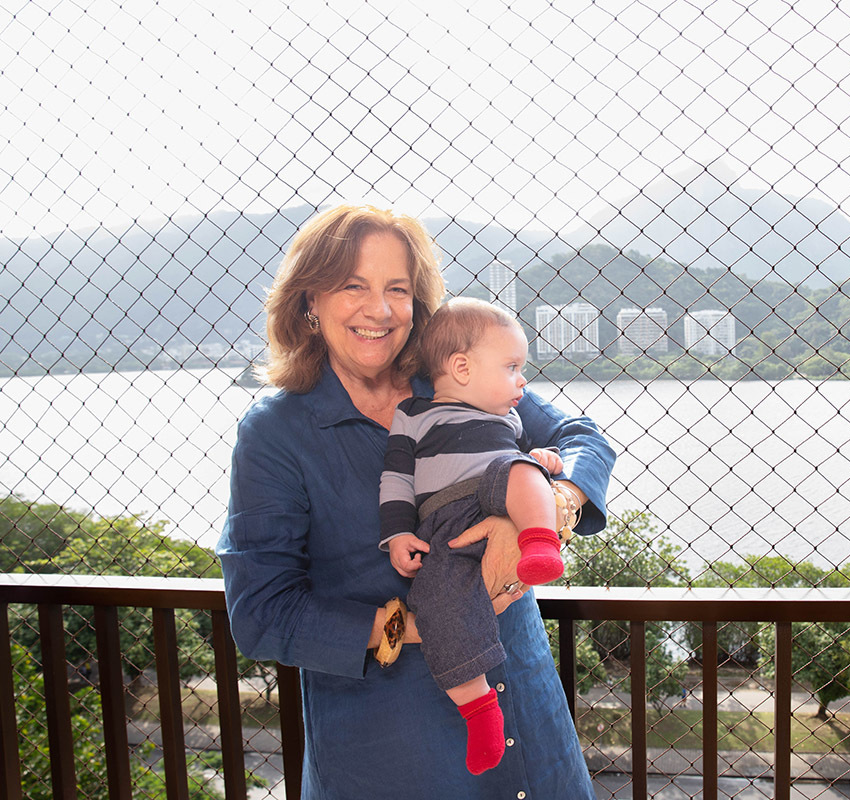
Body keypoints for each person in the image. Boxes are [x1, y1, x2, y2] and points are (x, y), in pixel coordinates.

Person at [217, 203, 615, 800]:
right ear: (309, 301)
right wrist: (421, 625)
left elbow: (583, 439)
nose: (378, 309)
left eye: (396, 289)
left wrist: (551, 506)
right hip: (391, 754)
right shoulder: (276, 433)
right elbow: (262, 614)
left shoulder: (456, 378)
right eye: (352, 286)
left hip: (533, 728)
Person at [379, 297, 570, 774]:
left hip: (496, 494)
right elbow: (396, 478)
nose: (522, 380)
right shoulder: (413, 415)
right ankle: (480, 711)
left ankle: (539, 545)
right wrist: (397, 532)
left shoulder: (509, 418)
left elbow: (538, 459)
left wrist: (542, 459)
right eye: (511, 367)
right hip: (444, 525)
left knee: (522, 469)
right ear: (462, 368)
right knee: (438, 603)